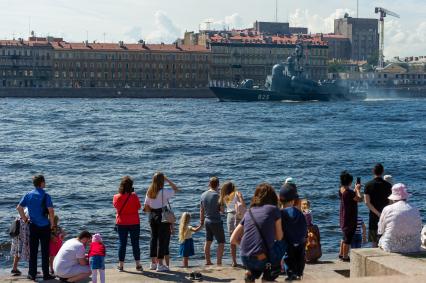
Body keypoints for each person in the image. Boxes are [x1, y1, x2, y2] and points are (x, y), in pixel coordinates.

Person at [230, 183, 283, 283]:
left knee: (255, 265)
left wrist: (248, 249)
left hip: (244, 256)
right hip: (261, 257)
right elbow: (279, 237)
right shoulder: (274, 210)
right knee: (283, 244)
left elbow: (232, 239)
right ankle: (267, 278)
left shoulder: (249, 212)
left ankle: (251, 273)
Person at [16, 175, 56, 281]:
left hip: (33, 226)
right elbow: (51, 211)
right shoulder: (46, 196)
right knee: (45, 251)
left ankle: (32, 274)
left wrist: (25, 219)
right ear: (41, 183)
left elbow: (19, 208)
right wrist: (52, 224)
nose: (45, 183)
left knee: (33, 251)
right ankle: (46, 274)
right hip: (44, 226)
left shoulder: (28, 195)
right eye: (44, 182)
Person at [143, 172, 179, 272]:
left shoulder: (149, 191)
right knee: (162, 240)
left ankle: (153, 263)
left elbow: (146, 206)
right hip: (162, 215)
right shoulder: (164, 191)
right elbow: (176, 189)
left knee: (153, 239)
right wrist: (168, 180)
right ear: (162, 181)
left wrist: (151, 213)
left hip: (152, 215)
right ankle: (160, 264)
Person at [378, 183, 422, 253]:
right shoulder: (415, 208)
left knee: (382, 239)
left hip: (392, 247)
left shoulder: (387, 209)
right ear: (406, 197)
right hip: (414, 246)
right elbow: (419, 227)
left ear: (393, 198)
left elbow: (380, 230)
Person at [113, 176, 142, 272]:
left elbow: (116, 207)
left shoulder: (116, 197)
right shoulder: (134, 196)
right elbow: (138, 207)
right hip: (134, 222)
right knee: (135, 244)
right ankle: (138, 265)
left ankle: (121, 265)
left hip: (121, 222)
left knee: (122, 244)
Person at [280, 184, 307, 281]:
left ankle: (291, 275)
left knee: (288, 258)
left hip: (289, 242)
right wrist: (304, 238)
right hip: (300, 241)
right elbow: (304, 227)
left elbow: (280, 229)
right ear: (293, 201)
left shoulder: (281, 213)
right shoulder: (299, 212)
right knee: (300, 258)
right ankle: (299, 274)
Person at [364, 163, 392, 247]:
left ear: (373, 172)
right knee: (385, 238)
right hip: (386, 215)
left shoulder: (368, 185)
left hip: (373, 216)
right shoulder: (388, 185)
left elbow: (367, 202)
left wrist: (377, 213)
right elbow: (390, 202)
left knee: (374, 241)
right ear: (382, 172)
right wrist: (383, 213)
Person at [219, 181, 246, 267]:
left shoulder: (224, 197)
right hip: (238, 215)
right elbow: (243, 205)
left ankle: (234, 262)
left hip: (229, 216)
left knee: (232, 240)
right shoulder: (237, 193)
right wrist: (241, 197)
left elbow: (222, 210)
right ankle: (245, 260)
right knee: (242, 239)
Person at [200, 177, 226, 266]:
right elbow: (222, 210)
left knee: (208, 241)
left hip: (207, 221)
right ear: (218, 185)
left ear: (209, 184)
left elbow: (201, 210)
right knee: (221, 242)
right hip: (216, 221)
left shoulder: (203, 195)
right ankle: (219, 262)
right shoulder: (218, 196)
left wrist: (201, 221)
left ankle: (208, 261)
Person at [338, 171, 362, 262]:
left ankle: (341, 254)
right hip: (350, 218)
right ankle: (345, 256)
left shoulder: (341, 189)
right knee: (348, 238)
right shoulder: (349, 192)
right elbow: (359, 199)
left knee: (344, 236)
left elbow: (352, 197)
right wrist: (358, 190)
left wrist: (355, 190)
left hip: (343, 216)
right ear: (350, 182)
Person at [10, 209, 30, 276]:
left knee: (18, 249)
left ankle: (14, 268)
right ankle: (32, 268)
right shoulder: (32, 208)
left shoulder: (26, 208)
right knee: (29, 248)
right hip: (24, 230)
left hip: (18, 228)